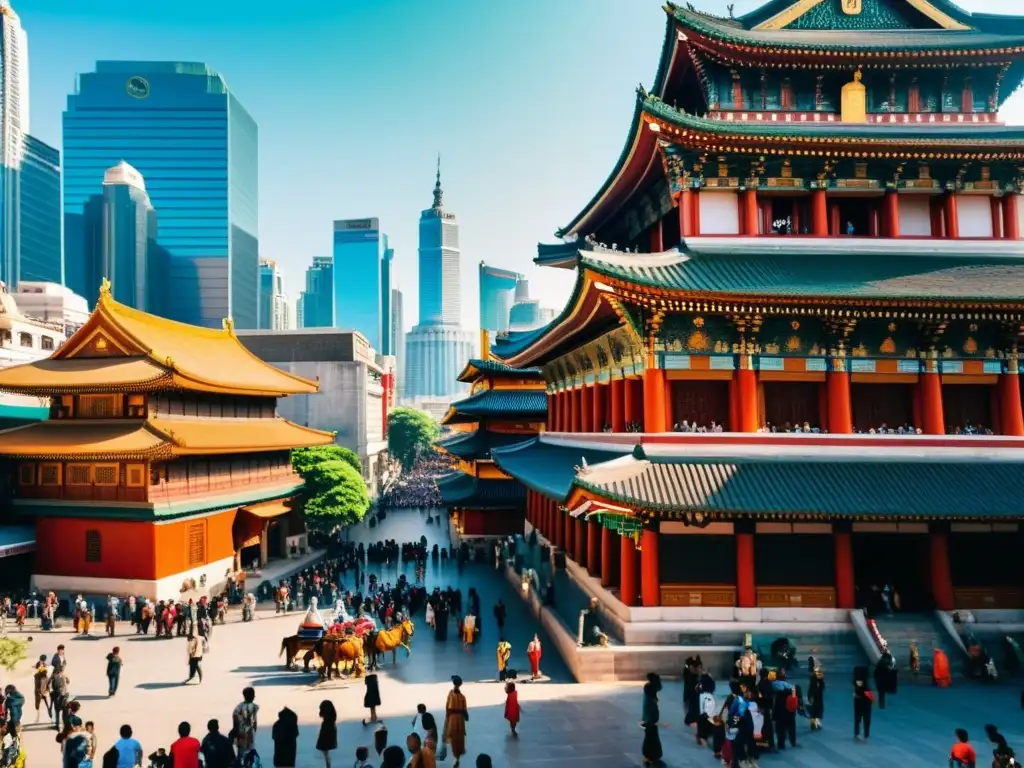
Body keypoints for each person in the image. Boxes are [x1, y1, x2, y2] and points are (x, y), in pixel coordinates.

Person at [443, 675, 469, 768]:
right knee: (460, 737)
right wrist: (466, 716)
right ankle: (457, 757)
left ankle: (455, 757)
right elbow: (465, 710)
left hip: (452, 719)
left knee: (453, 737)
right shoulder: (462, 697)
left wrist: (447, 718)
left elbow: (447, 707)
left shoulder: (450, 694)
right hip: (460, 719)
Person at [641, 672, 663, 767]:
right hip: (651, 720)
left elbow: (647, 709)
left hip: (649, 719)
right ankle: (652, 754)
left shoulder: (648, 693)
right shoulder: (651, 696)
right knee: (652, 735)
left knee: (649, 735)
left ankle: (649, 754)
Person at [231, 687, 259, 761]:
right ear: (253, 696)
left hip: (240, 735)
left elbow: (235, 723)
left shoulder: (238, 707)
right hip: (249, 735)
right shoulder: (254, 707)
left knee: (240, 756)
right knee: (250, 757)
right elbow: (254, 723)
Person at [853, 666, 873, 741]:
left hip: (861, 702)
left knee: (859, 717)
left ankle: (858, 733)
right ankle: (864, 734)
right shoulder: (867, 685)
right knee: (865, 718)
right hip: (864, 702)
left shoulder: (860, 684)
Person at [316, 700, 337, 768]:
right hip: (330, 729)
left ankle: (328, 765)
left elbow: (321, 715)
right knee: (326, 752)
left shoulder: (326, 722)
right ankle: (328, 765)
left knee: (325, 751)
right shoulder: (332, 718)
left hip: (326, 730)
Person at [807, 665, 825, 730]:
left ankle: (815, 724)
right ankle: (814, 724)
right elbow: (813, 689)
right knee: (815, 711)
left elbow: (822, 687)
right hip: (815, 697)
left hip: (817, 697)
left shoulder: (818, 679)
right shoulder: (814, 680)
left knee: (816, 711)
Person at [32, 654, 49, 721]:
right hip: (42, 689)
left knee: (39, 703)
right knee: (44, 702)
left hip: (38, 689)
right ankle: (44, 714)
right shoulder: (43, 670)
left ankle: (38, 715)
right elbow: (46, 680)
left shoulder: (37, 673)